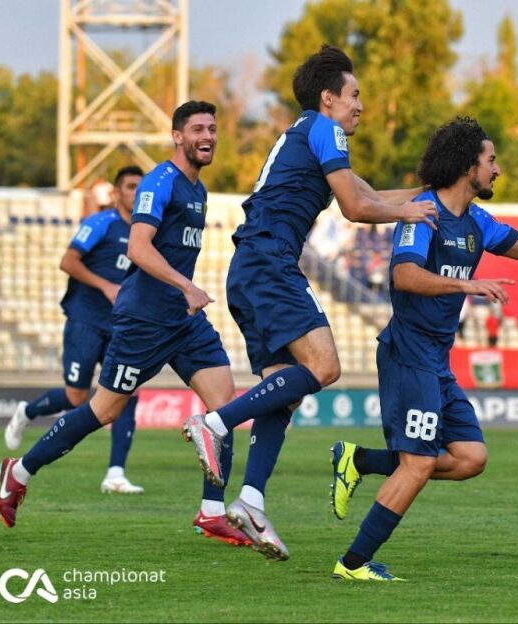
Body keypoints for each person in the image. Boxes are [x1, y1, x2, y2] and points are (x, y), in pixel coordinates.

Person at [328, 117, 518, 581]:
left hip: (436, 360)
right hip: (408, 354)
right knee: (418, 464)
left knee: (471, 457)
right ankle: (353, 564)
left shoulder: (476, 221)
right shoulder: (423, 212)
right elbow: (404, 275)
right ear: (466, 165)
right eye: (491, 160)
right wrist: (467, 285)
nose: (497, 169)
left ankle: (360, 460)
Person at [180, 44, 438, 562]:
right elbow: (358, 208)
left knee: (283, 391)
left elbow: (370, 193)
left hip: (252, 266)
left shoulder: (307, 135)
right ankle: (215, 424)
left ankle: (251, 501)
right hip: (269, 262)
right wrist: (411, 212)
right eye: (354, 95)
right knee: (324, 366)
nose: (359, 105)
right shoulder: (325, 129)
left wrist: (435, 191)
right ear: (328, 98)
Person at [0, 101, 250, 548]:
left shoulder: (199, 190)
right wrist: (186, 285)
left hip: (183, 320)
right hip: (144, 320)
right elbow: (138, 247)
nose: (208, 136)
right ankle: (19, 471)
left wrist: (184, 294)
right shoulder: (160, 182)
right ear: (177, 137)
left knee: (222, 404)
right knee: (102, 411)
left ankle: (212, 511)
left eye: (212, 128)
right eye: (197, 129)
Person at [3, 166, 147, 495]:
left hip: (121, 325)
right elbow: (68, 261)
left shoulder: (147, 231)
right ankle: (27, 411)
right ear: (116, 193)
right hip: (86, 319)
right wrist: (105, 285)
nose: (137, 193)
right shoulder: (101, 223)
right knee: (76, 397)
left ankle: (115, 474)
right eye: (130, 186)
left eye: (141, 187)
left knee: (127, 393)